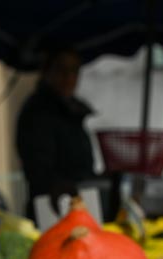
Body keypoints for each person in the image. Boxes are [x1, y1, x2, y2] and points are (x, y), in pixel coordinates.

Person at [16, 47, 95, 223]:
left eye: (74, 71)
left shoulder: (72, 110)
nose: (68, 77)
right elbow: (37, 167)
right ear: (47, 71)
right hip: (51, 210)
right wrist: (58, 185)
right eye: (61, 70)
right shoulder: (37, 112)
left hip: (79, 205)